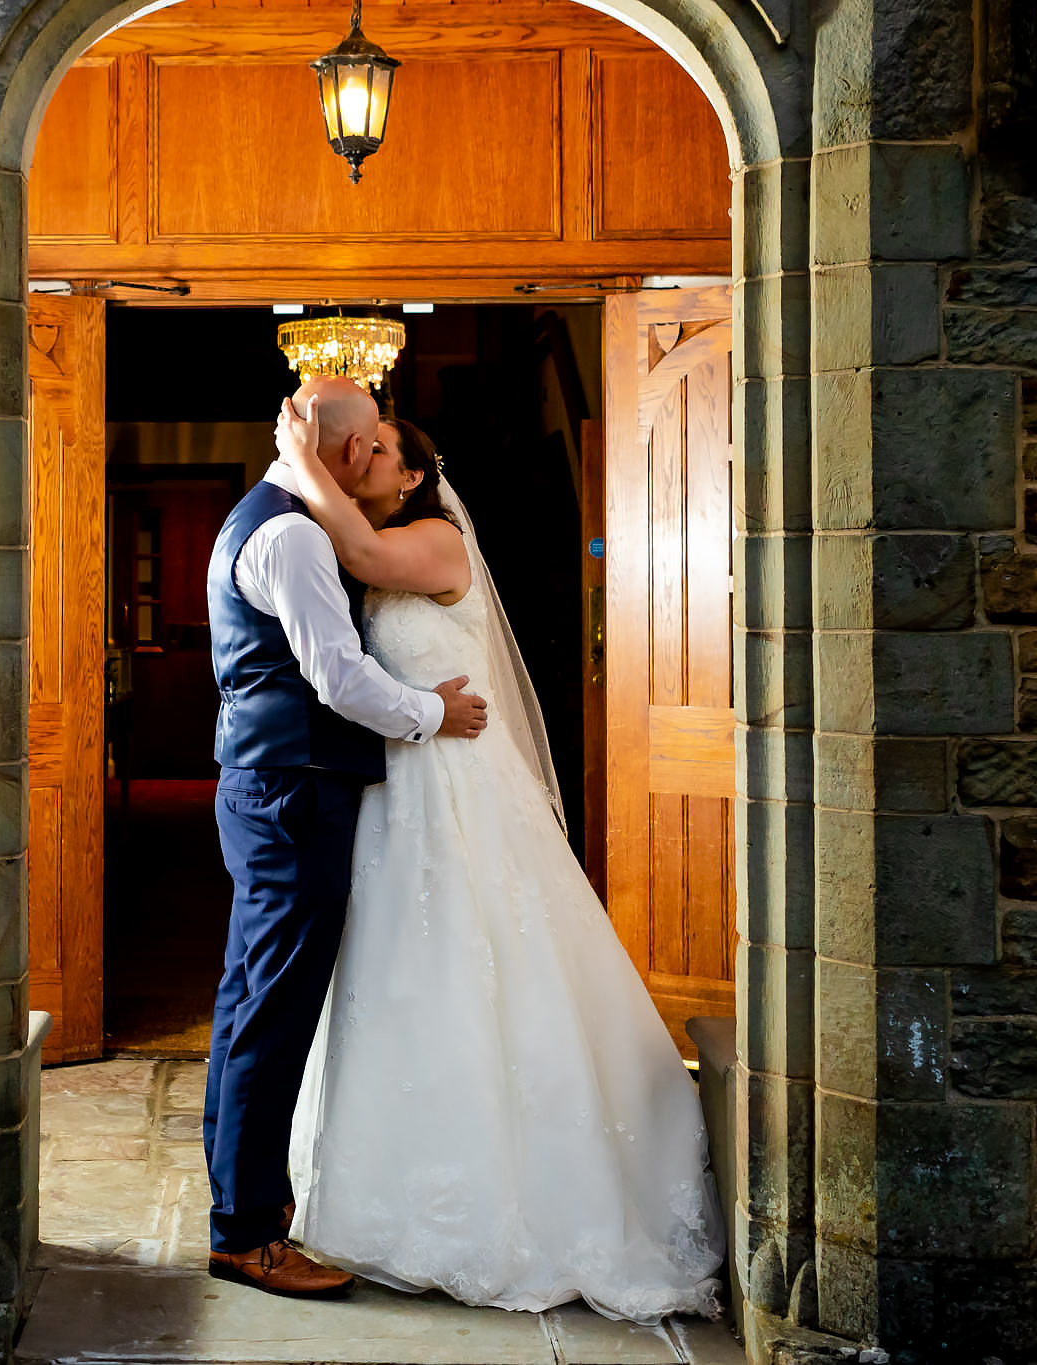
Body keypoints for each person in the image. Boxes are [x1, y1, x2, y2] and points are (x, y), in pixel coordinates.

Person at [275, 399, 727, 1323]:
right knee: (403, 973)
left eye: (382, 450)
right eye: (356, 446)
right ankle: (395, 1190)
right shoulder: (357, 534)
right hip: (398, 788)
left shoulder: (437, 539)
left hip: (461, 786)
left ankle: (537, 1191)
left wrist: (297, 454)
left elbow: (360, 553)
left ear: (413, 477)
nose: (363, 456)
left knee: (491, 960)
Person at [201, 376, 489, 1298]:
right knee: (272, 1013)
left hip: (276, 785)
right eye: (363, 442)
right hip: (295, 790)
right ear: (337, 450)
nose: (371, 455)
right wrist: (428, 715)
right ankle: (246, 1234)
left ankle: (246, 1215)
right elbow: (340, 679)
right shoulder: (289, 536)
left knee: (251, 1003)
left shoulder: (281, 519)